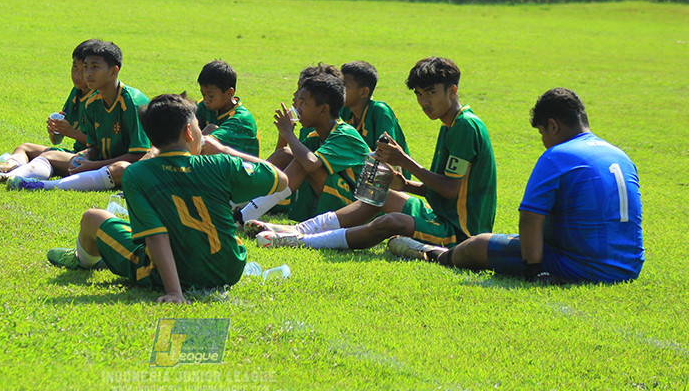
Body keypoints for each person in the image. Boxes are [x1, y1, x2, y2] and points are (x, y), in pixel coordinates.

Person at [46, 94, 288, 303]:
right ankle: (96, 256)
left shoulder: (137, 173)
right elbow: (281, 179)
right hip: (230, 267)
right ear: (188, 133)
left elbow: (156, 234)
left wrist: (174, 291)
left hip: (176, 274)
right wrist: (225, 150)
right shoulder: (221, 163)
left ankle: (84, 258)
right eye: (197, 127)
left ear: (151, 140)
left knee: (92, 217)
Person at [388, 88, 644, 284]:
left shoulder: (558, 155)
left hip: (580, 265)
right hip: (629, 266)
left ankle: (434, 254)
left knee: (477, 245)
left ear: (553, 126)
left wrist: (534, 269)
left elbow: (530, 217)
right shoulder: (620, 155)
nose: (545, 141)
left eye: (543, 133)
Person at [249, 56, 496, 252]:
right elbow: (451, 189)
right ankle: (295, 230)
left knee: (390, 222)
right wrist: (406, 184)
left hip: (460, 230)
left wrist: (404, 161)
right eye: (419, 94)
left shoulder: (464, 126)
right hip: (439, 215)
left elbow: (451, 190)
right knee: (379, 194)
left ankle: (301, 241)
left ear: (452, 91)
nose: (424, 102)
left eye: (431, 93)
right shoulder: (451, 124)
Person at [9, 40, 150, 191]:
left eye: (95, 67)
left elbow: (139, 156)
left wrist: (93, 165)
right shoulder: (92, 103)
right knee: (51, 155)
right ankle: (7, 177)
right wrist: (85, 157)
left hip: (132, 170)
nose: (87, 73)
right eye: (86, 67)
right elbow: (94, 146)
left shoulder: (133, 103)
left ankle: (47, 186)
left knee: (120, 168)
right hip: (101, 164)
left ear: (114, 71)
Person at [235, 73, 369, 224]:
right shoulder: (315, 136)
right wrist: (285, 136)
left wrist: (288, 133)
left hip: (357, 209)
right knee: (285, 154)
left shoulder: (345, 134)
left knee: (303, 161)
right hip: (334, 200)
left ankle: (243, 217)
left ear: (323, 109)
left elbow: (310, 164)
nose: (298, 108)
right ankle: (236, 201)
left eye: (303, 103)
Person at [0, 39, 94, 184]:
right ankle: (8, 167)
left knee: (49, 156)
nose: (77, 75)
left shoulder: (98, 97)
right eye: (74, 67)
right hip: (76, 155)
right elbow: (57, 140)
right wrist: (55, 130)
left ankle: (9, 177)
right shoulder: (76, 93)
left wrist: (70, 132)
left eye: (83, 69)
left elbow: (101, 145)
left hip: (90, 159)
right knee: (24, 147)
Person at [339, 61, 408, 156]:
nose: (338, 89)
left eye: (345, 86)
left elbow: (387, 155)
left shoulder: (380, 111)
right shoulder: (344, 110)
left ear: (364, 92)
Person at [195, 59, 260, 156]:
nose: (206, 100)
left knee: (210, 129)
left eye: (211, 96)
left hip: (245, 169)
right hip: (222, 165)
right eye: (203, 94)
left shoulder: (241, 120)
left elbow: (205, 145)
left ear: (229, 93)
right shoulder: (205, 106)